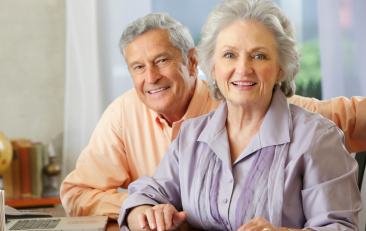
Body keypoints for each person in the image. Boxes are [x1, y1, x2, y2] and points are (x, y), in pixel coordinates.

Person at [60, 12, 366, 220]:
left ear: (193, 62)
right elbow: (79, 193)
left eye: (162, 60)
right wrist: (141, 209)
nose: (150, 77)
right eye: (138, 67)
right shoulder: (128, 116)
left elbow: (341, 117)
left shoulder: (255, 99)